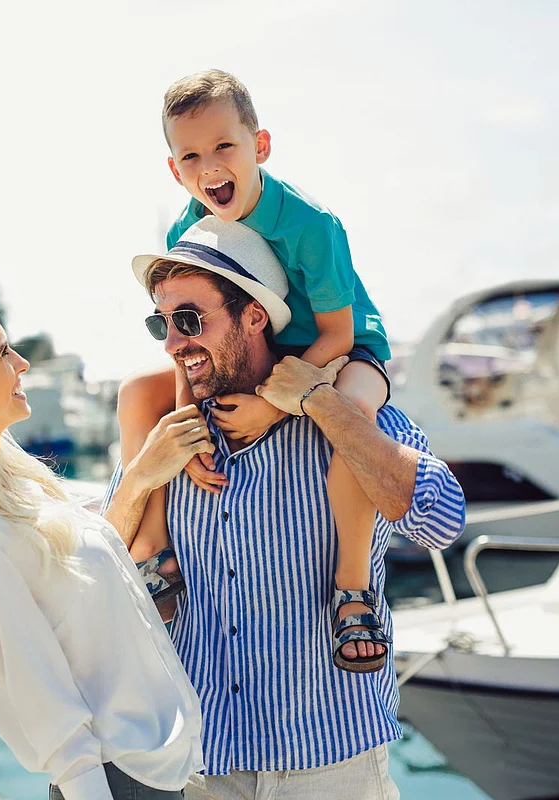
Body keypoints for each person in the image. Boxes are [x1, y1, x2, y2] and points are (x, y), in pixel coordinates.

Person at [104, 220, 466, 799]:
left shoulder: (347, 414)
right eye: (161, 324)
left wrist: (323, 405)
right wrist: (142, 475)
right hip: (203, 764)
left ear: (254, 316)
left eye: (189, 320)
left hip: (332, 763)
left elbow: (441, 522)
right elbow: (104, 567)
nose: (172, 343)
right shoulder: (165, 436)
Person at [0, 288, 207, 800]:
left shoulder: (21, 493)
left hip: (152, 772)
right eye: (3, 352)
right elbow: (47, 711)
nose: (22, 363)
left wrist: (140, 478)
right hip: (119, 784)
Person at [119, 69, 395, 672]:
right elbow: (187, 343)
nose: (209, 166)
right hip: (252, 350)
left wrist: (275, 405)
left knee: (351, 412)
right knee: (139, 394)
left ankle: (352, 588)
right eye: (191, 155)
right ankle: (153, 549)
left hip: (343, 351)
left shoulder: (311, 225)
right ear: (174, 169)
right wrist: (188, 428)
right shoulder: (187, 229)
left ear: (260, 146)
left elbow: (338, 334)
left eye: (224, 145)